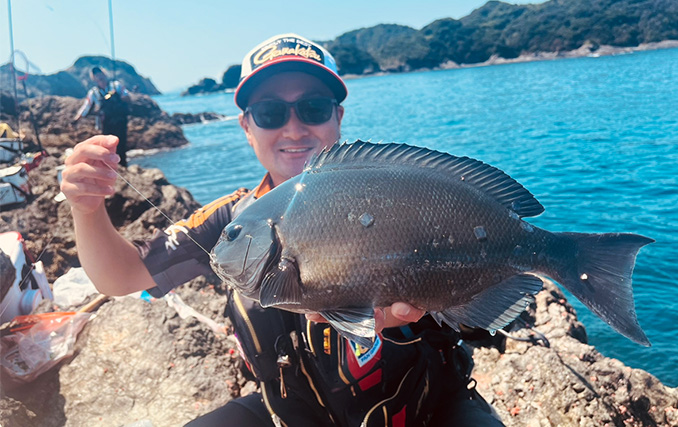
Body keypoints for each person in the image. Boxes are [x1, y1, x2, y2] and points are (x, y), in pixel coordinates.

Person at [60, 33, 504, 426]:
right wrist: (86, 208)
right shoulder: (229, 221)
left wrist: (430, 300)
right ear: (246, 127)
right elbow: (120, 277)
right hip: (292, 415)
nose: (294, 127)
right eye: (270, 112)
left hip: (430, 409)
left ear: (338, 116)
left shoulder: (392, 194)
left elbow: (480, 292)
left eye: (313, 108)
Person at [73, 66, 130, 166]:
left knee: (121, 145)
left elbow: (127, 97)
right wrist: (76, 118)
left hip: (120, 121)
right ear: (94, 79)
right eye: (96, 75)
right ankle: (111, 166)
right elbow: (86, 107)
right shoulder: (93, 93)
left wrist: (122, 96)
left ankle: (123, 165)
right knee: (108, 145)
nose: (99, 77)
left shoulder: (116, 85)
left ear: (104, 74)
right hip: (106, 123)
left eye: (100, 74)